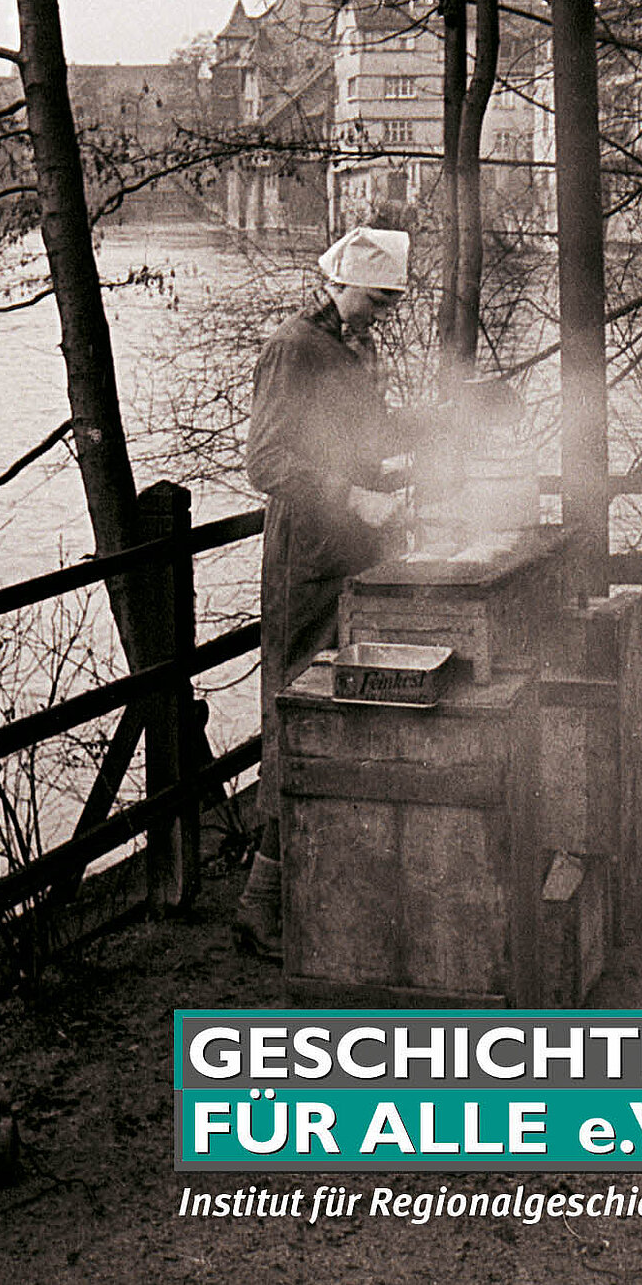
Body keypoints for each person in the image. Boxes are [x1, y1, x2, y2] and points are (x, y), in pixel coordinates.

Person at [233, 224, 410, 959]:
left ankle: (317, 890)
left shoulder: (345, 349)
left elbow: (357, 441)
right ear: (341, 284)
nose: (383, 314)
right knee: (297, 720)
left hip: (351, 558)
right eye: (376, 298)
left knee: (351, 716)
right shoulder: (292, 348)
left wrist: (415, 450)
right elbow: (267, 461)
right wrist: (353, 495)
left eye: (391, 302)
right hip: (307, 564)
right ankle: (261, 906)